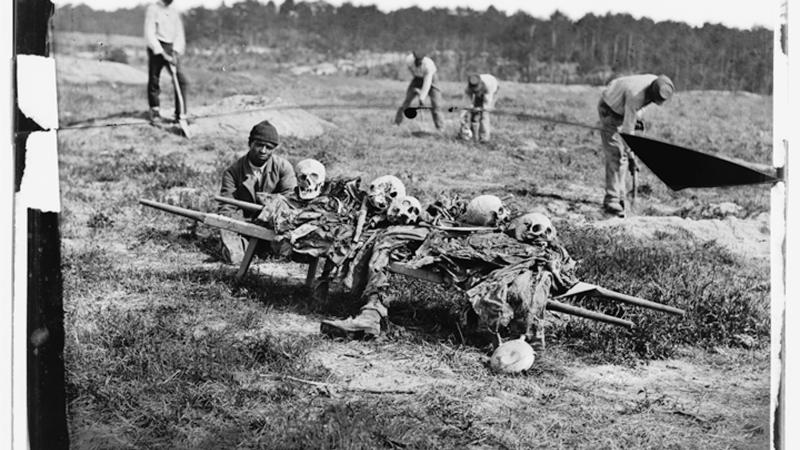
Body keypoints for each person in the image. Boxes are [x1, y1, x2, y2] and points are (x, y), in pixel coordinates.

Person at [218, 120, 297, 264]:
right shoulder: (233, 172)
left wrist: (271, 215)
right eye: (259, 145)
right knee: (236, 255)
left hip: (275, 225)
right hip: (247, 226)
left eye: (269, 147)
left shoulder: (284, 168)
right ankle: (239, 247)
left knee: (286, 249)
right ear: (250, 143)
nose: (263, 151)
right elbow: (226, 208)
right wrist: (232, 227)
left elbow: (291, 201)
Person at [598, 74, 674, 216]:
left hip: (623, 108)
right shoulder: (635, 95)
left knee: (623, 158)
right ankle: (612, 199)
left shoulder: (658, 83)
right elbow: (628, 132)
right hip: (609, 109)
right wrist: (632, 154)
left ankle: (621, 197)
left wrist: (637, 120)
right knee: (616, 154)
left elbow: (637, 111)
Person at [144, 0, 188, 123]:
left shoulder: (174, 9)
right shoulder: (153, 8)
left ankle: (181, 114)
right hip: (156, 46)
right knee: (154, 79)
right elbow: (149, 33)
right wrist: (161, 52)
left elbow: (179, 33)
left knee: (181, 80)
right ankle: (155, 110)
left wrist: (175, 52)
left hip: (171, 47)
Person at [394, 51, 444, 130]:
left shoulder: (428, 65)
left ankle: (440, 128)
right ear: (414, 58)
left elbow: (427, 83)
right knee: (406, 101)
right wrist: (416, 88)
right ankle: (397, 124)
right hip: (417, 79)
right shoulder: (409, 60)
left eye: (420, 60)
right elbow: (411, 71)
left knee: (436, 105)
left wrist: (422, 97)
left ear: (423, 59)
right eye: (416, 60)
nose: (418, 62)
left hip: (432, 81)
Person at [464, 73, 499, 142]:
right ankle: (471, 135)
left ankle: (484, 138)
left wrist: (481, 109)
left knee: (484, 115)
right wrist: (469, 109)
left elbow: (487, 105)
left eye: (476, 89)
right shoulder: (468, 88)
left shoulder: (489, 86)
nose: (475, 91)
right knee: (474, 114)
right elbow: (467, 103)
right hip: (483, 90)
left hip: (493, 90)